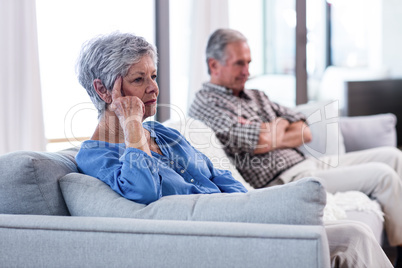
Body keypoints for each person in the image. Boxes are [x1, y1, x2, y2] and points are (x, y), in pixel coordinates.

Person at [75, 32, 392, 267]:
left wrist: (257, 206)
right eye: (139, 79)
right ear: (103, 89)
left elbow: (218, 174)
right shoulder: (96, 154)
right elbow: (142, 190)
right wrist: (130, 125)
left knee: (355, 234)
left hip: (240, 216)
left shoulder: (163, 133)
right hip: (216, 237)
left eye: (154, 76)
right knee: (352, 236)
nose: (154, 88)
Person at [188, 28, 401, 267]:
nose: (247, 71)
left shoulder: (256, 94)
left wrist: (272, 131)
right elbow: (258, 141)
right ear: (214, 65)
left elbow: (305, 130)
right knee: (382, 176)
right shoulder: (206, 103)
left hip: (306, 163)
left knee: (394, 157)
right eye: (239, 64)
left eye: (248, 62)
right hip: (286, 180)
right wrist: (275, 130)